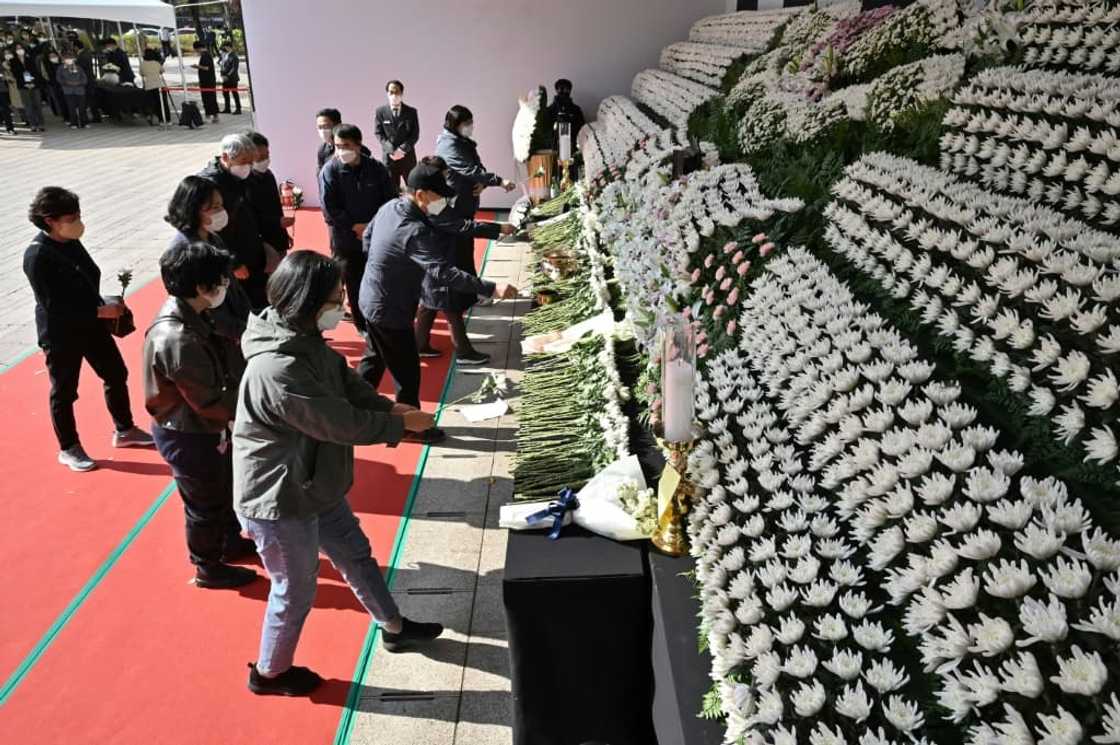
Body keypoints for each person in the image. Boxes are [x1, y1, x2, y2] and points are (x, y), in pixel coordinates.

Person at [234, 251, 444, 697]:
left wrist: (388, 406)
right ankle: (270, 672)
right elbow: (338, 423)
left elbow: (346, 385)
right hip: (281, 497)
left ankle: (393, 625)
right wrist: (398, 425)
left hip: (316, 480)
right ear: (307, 302)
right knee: (294, 590)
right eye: (334, 299)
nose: (341, 306)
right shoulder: (278, 367)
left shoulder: (304, 338)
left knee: (354, 553)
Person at [359, 163, 519, 443]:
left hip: (372, 297)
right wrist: (491, 288)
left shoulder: (391, 207)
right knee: (407, 373)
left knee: (374, 358)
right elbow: (444, 272)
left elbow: (368, 239)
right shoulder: (412, 229)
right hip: (389, 308)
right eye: (438, 196)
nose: (442, 201)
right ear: (420, 194)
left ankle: (353, 409)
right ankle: (411, 428)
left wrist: (382, 267)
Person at [144, 241, 259, 590]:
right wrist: (253, 409)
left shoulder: (193, 314)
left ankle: (228, 542)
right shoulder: (178, 337)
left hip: (204, 426)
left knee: (221, 489)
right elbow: (208, 400)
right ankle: (207, 566)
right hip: (189, 432)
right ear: (200, 286)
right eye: (221, 280)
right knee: (204, 502)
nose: (225, 286)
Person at [23, 187, 154, 472]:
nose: (78, 222)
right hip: (61, 334)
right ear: (49, 220)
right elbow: (54, 305)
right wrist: (97, 311)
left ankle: (125, 429)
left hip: (92, 326)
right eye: (71, 217)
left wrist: (105, 304)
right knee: (64, 391)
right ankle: (68, 446)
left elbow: (84, 279)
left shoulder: (71, 242)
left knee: (116, 373)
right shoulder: (37, 256)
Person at [415, 156, 514, 364]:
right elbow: (460, 225)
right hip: (440, 257)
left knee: (428, 303)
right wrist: (497, 228)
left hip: (433, 257)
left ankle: (419, 344)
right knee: (450, 305)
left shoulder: (430, 197)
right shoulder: (432, 202)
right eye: (443, 177)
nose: (446, 181)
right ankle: (463, 352)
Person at [434, 105, 516, 321]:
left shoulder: (462, 141)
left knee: (465, 250)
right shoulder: (448, 144)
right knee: (458, 252)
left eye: (471, 122)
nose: (470, 127)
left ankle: (471, 293)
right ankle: (467, 295)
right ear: (454, 124)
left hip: (466, 202)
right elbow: (467, 169)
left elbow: (476, 167)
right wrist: (498, 181)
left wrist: (484, 184)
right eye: (466, 123)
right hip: (456, 206)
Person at [318, 123, 396, 333]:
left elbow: (389, 202)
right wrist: (354, 226)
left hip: (376, 236)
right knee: (354, 284)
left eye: (346, 145)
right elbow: (329, 209)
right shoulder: (330, 170)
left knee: (379, 279)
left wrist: (370, 226)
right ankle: (362, 325)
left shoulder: (377, 169)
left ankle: (380, 317)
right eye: (337, 146)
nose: (341, 150)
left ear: (359, 145)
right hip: (346, 241)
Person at [164, 175, 253, 342]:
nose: (221, 211)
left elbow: (231, 285)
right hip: (214, 335)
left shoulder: (213, 237)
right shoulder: (184, 252)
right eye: (214, 207)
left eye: (221, 205)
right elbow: (199, 305)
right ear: (192, 209)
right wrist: (240, 331)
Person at [199, 134, 269, 309]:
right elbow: (212, 232)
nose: (248, 166)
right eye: (244, 161)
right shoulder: (210, 185)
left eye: (251, 162)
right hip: (232, 259)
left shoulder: (238, 177)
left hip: (250, 249)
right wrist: (234, 263)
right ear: (225, 157)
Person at [244, 130, 293, 275]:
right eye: (260, 157)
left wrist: (284, 234)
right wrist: (277, 222)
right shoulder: (245, 182)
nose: (265, 160)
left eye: (267, 155)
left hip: (277, 238)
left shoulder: (268, 175)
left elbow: (276, 207)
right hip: (261, 245)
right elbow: (250, 217)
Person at [374, 80, 419, 190]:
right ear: (387, 94)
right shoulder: (381, 111)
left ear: (402, 93)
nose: (394, 95)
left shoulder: (411, 111)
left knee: (413, 188)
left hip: (407, 157)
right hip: (390, 158)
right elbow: (378, 133)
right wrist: (391, 150)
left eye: (397, 92)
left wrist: (402, 150)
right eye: (391, 92)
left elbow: (415, 134)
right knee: (391, 189)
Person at [546, 79, 586, 172]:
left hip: (572, 149)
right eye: (561, 89)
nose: (563, 91)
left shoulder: (576, 110)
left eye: (566, 89)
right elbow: (547, 131)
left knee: (572, 173)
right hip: (555, 149)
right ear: (556, 90)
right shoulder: (550, 111)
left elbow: (582, 130)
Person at [315, 107, 371, 173]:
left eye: (326, 126)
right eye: (320, 127)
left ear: (338, 125)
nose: (323, 131)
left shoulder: (355, 147)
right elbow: (320, 173)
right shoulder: (322, 149)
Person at [11, 43, 45, 132]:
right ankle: (33, 124)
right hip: (23, 86)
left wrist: (33, 82)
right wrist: (24, 83)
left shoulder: (30, 58)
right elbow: (16, 74)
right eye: (17, 49)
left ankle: (41, 124)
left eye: (21, 48)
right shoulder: (13, 61)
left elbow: (36, 72)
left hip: (34, 85)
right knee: (28, 106)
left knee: (37, 104)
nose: (19, 50)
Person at [56, 51, 88, 129]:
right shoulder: (61, 68)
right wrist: (66, 83)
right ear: (63, 59)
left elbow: (85, 79)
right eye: (66, 58)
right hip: (68, 90)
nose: (69, 60)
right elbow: (58, 78)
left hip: (80, 90)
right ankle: (74, 123)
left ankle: (84, 122)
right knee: (71, 107)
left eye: (70, 58)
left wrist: (78, 83)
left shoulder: (79, 68)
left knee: (82, 107)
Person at [73, 39, 101, 124]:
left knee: (87, 100)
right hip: (89, 80)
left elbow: (81, 69)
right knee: (91, 100)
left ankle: (88, 118)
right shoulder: (86, 54)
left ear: (76, 47)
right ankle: (95, 117)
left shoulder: (81, 56)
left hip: (86, 81)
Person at [191, 40, 219, 124]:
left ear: (198, 48)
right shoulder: (207, 54)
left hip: (207, 81)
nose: (196, 52)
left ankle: (209, 116)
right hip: (210, 80)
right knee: (211, 98)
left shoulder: (205, 55)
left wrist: (197, 66)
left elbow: (206, 68)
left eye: (196, 50)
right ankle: (215, 116)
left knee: (207, 98)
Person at [140, 47, 168, 125]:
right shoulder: (156, 63)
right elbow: (162, 71)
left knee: (153, 104)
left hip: (149, 86)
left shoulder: (142, 64)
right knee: (163, 103)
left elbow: (141, 74)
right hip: (159, 85)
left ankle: (159, 120)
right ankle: (167, 119)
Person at [218, 40, 240, 115]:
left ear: (229, 47)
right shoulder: (226, 55)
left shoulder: (234, 56)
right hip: (225, 78)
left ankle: (238, 109)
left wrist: (227, 76)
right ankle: (227, 108)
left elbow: (234, 68)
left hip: (232, 78)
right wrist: (222, 74)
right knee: (225, 93)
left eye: (226, 47)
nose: (225, 49)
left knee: (234, 93)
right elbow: (224, 65)